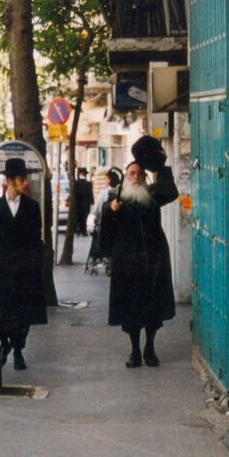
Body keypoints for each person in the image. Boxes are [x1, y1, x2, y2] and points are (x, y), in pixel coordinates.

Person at [99, 137, 179, 368]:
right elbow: (106, 229)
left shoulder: (153, 196)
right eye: (131, 173)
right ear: (125, 178)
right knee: (131, 310)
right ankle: (134, 351)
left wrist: (161, 165)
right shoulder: (117, 200)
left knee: (153, 308)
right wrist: (110, 210)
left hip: (153, 260)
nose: (135, 177)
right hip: (128, 263)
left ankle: (150, 348)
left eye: (139, 173)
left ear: (144, 178)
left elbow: (171, 191)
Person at [0, 157, 47, 370]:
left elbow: (37, 239)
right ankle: (6, 345)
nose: (25, 183)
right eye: (21, 179)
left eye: (26, 178)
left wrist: (36, 264)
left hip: (26, 269)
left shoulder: (32, 207)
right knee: (3, 313)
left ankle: (18, 349)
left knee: (24, 315)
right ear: (10, 181)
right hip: (3, 270)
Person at [86, 168, 122, 274]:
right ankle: (110, 265)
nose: (105, 181)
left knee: (99, 244)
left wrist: (93, 219)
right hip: (117, 225)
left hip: (105, 224)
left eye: (106, 179)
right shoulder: (121, 191)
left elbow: (96, 209)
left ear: (110, 180)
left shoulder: (104, 193)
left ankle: (96, 265)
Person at [72, 167, 93, 236]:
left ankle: (78, 230)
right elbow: (90, 194)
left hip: (78, 204)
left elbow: (74, 194)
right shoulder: (89, 184)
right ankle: (83, 230)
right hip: (86, 204)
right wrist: (92, 202)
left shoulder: (76, 183)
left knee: (78, 217)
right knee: (84, 217)